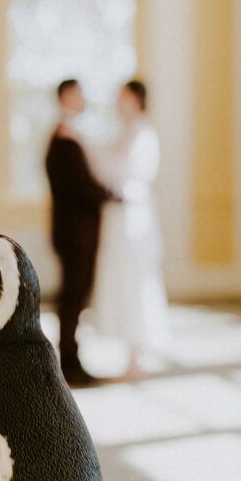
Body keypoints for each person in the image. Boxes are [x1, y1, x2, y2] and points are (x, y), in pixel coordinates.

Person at [90, 79, 170, 377]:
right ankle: (131, 354)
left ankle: (138, 353)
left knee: (135, 279)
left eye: (123, 96)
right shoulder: (126, 132)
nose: (117, 101)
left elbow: (118, 169)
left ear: (136, 99)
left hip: (133, 218)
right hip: (120, 216)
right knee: (121, 279)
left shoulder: (142, 133)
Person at [45, 79, 117, 387]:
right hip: (74, 232)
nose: (83, 99)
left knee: (75, 297)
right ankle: (68, 364)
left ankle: (70, 360)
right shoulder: (64, 138)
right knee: (73, 298)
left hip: (76, 231)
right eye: (78, 94)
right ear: (65, 97)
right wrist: (108, 194)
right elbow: (78, 187)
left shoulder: (70, 136)